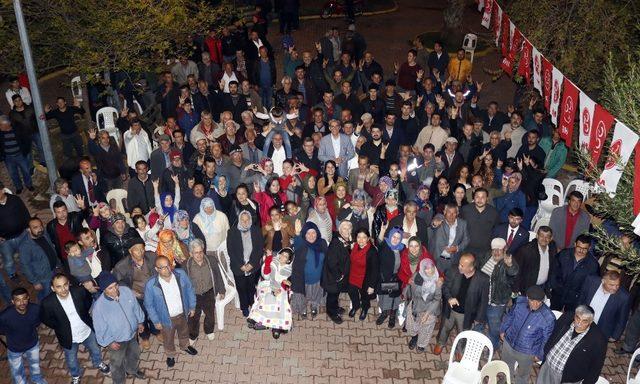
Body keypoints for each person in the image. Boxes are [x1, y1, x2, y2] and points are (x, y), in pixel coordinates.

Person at [41, 274, 110, 383]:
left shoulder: (79, 291)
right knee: (71, 360)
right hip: (68, 337)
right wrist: (59, 326)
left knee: (95, 349)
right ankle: (76, 375)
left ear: (69, 283)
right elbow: (46, 319)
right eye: (58, 287)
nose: (63, 289)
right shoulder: (47, 303)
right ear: (52, 288)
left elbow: (87, 302)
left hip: (86, 331)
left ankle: (98, 363)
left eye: (65, 285)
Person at [144, 256, 198, 367]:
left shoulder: (180, 274)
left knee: (184, 332)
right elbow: (149, 305)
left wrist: (192, 306)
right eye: (162, 267)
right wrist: (156, 320)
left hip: (182, 313)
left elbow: (190, 289)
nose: (167, 269)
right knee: (168, 338)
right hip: (166, 318)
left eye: (168, 265)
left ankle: (185, 346)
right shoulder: (151, 285)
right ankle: (170, 355)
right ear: (156, 269)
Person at [92, 272, 146, 383]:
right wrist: (109, 341)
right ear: (103, 290)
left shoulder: (126, 291)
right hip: (116, 341)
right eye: (110, 288)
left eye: (116, 285)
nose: (115, 289)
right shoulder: (99, 307)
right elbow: (100, 329)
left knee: (134, 353)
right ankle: (119, 381)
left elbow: (136, 307)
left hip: (132, 334)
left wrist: (140, 322)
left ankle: (132, 370)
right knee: (117, 363)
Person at [434, 253, 489, 355]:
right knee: (445, 327)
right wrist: (449, 298)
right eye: (459, 263)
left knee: (463, 333)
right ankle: (440, 343)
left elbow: (483, 301)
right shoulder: (454, 270)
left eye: (462, 266)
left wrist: (479, 318)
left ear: (471, 267)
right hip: (450, 309)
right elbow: (445, 287)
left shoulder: (483, 279)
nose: (459, 266)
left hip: (466, 314)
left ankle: (460, 350)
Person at [537, 306, 607, 384]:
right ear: (574, 315)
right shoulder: (566, 318)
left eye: (584, 321)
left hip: (568, 380)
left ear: (590, 322)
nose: (579, 323)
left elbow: (596, 367)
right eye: (578, 318)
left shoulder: (598, 340)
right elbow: (551, 336)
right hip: (548, 367)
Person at [500, 286, 556, 384]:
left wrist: (540, 355)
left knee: (522, 376)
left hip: (527, 353)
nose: (535, 304)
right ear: (527, 298)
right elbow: (510, 316)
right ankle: (506, 381)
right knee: (506, 366)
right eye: (532, 301)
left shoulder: (548, 318)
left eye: (539, 301)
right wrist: (503, 329)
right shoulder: (519, 303)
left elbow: (546, 339)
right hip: (509, 342)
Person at [112, 237, 158, 349]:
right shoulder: (121, 266)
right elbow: (118, 282)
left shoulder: (151, 257)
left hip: (152, 293)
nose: (141, 252)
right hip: (137, 296)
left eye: (142, 249)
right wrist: (130, 291)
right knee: (141, 317)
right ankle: (145, 337)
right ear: (130, 251)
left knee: (153, 314)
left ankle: (156, 332)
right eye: (137, 250)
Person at [477, 238, 519, 348]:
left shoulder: (508, 261)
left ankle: (492, 347)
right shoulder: (487, 256)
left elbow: (513, 272)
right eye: (494, 249)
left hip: (497, 302)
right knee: (480, 322)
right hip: (483, 299)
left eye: (499, 250)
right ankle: (476, 343)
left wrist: (509, 265)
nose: (496, 252)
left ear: (505, 249)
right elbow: (478, 269)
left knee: (494, 328)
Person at [184, 239, 226, 343]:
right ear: (190, 253)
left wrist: (222, 290)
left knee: (210, 314)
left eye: (200, 252)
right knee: (193, 317)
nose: (199, 255)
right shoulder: (186, 265)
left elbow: (218, 275)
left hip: (209, 292)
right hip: (194, 295)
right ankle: (193, 335)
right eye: (196, 253)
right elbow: (183, 284)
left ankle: (209, 331)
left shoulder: (211, 260)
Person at [0, 288, 46, 384]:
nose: (22, 302)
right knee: (17, 372)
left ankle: (36, 379)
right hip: (14, 348)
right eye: (18, 300)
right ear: (13, 301)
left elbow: (37, 322)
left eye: (24, 299)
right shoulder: (5, 316)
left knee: (35, 365)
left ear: (28, 298)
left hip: (32, 343)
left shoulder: (35, 309)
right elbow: (1, 330)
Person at [248, 248, 294, 339]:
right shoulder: (272, 261)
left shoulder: (289, 270)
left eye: (285, 256)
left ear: (288, 260)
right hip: (267, 284)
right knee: (267, 298)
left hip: (281, 288)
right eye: (282, 254)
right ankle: (260, 320)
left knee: (280, 301)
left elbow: (290, 281)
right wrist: (268, 259)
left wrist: (286, 282)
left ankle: (276, 327)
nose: (282, 257)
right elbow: (266, 275)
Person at [227, 210, 265, 317]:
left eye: (247, 219)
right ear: (239, 220)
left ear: (250, 220)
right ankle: (244, 307)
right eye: (242, 220)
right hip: (238, 266)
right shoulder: (232, 232)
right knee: (241, 287)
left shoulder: (256, 230)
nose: (245, 222)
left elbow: (259, 249)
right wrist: (241, 265)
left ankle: (252, 303)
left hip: (253, 265)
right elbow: (231, 251)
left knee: (251, 286)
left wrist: (252, 264)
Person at [549, 234, 599, 311]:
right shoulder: (563, 254)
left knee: (568, 319)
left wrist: (580, 298)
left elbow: (591, 285)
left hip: (575, 300)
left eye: (584, 249)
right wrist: (555, 287)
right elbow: (553, 272)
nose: (581, 251)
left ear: (589, 248)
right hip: (558, 293)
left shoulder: (593, 265)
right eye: (579, 247)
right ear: (575, 244)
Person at [578, 271, 630, 341]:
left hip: (601, 331)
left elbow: (622, 319)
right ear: (603, 281)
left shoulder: (624, 297)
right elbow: (581, 299)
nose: (615, 288)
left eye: (617, 285)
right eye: (611, 285)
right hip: (582, 322)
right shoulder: (590, 281)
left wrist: (615, 336)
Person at [291, 222, 327, 319]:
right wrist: (297, 234)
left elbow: (327, 258)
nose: (311, 236)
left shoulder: (322, 243)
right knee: (302, 296)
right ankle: (303, 309)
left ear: (317, 233)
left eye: (313, 233)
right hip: (303, 280)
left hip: (318, 279)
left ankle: (314, 306)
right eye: (308, 233)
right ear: (304, 235)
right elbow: (297, 243)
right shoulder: (302, 245)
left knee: (316, 294)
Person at [405, 259, 441, 352]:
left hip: (429, 309)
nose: (429, 271)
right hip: (416, 306)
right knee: (413, 325)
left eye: (431, 268)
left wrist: (427, 313)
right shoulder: (417, 275)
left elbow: (437, 299)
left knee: (426, 328)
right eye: (426, 268)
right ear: (422, 269)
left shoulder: (437, 281)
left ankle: (422, 344)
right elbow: (409, 288)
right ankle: (415, 337)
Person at [19, 217, 59, 302]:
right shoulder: (25, 246)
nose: (40, 229)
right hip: (42, 277)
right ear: (28, 230)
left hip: (53, 270)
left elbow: (51, 248)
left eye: (40, 226)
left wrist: (57, 263)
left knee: (53, 293)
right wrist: (35, 282)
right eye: (35, 227)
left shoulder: (44, 234)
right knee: (47, 297)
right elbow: (25, 266)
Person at [322, 220, 352, 324]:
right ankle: (331, 312)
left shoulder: (345, 241)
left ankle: (335, 307)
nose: (347, 230)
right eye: (344, 228)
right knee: (332, 295)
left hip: (339, 276)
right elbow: (332, 263)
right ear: (340, 230)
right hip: (333, 277)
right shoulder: (336, 243)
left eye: (349, 228)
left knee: (336, 294)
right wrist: (339, 276)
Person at [513, 226, 557, 295]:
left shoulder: (553, 248)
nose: (544, 239)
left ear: (551, 238)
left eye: (547, 236)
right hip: (527, 288)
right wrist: (515, 291)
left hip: (543, 287)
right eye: (541, 236)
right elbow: (517, 271)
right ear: (537, 236)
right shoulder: (525, 250)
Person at [376, 227, 405, 328]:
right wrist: (382, 231)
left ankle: (392, 316)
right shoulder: (385, 245)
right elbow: (378, 241)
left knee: (394, 298)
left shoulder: (402, 248)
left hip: (397, 277)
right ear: (390, 236)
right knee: (384, 297)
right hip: (385, 277)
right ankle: (384, 313)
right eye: (393, 236)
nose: (395, 239)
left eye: (398, 238)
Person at [428, 204, 470, 274]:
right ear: (444, 212)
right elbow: (434, 223)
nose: (451, 215)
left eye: (454, 213)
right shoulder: (440, 219)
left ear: (457, 213)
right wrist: (435, 223)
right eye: (449, 212)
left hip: (453, 259)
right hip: (438, 257)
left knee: (450, 281)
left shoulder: (463, 224)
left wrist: (457, 248)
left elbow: (466, 240)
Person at [347, 228, 379, 321]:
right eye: (359, 237)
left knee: (365, 296)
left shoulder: (372, 251)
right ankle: (356, 306)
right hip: (353, 275)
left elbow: (375, 270)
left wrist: (371, 286)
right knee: (351, 292)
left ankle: (365, 308)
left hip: (365, 279)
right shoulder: (355, 246)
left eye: (364, 237)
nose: (361, 240)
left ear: (368, 238)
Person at [460, 187, 499, 256]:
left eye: (483, 197)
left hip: (485, 250)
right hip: (467, 248)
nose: (479, 200)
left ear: (487, 198)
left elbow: (496, 230)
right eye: (477, 197)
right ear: (473, 198)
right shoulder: (465, 210)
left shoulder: (493, 212)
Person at [0, 116, 34, 193]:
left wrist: (25, 152)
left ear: (7, 124)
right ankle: (19, 187)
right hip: (8, 158)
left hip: (20, 155)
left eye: (0, 125)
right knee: (13, 174)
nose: (0, 127)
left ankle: (29, 185)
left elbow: (27, 140)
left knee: (26, 171)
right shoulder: (1, 133)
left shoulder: (18, 129)